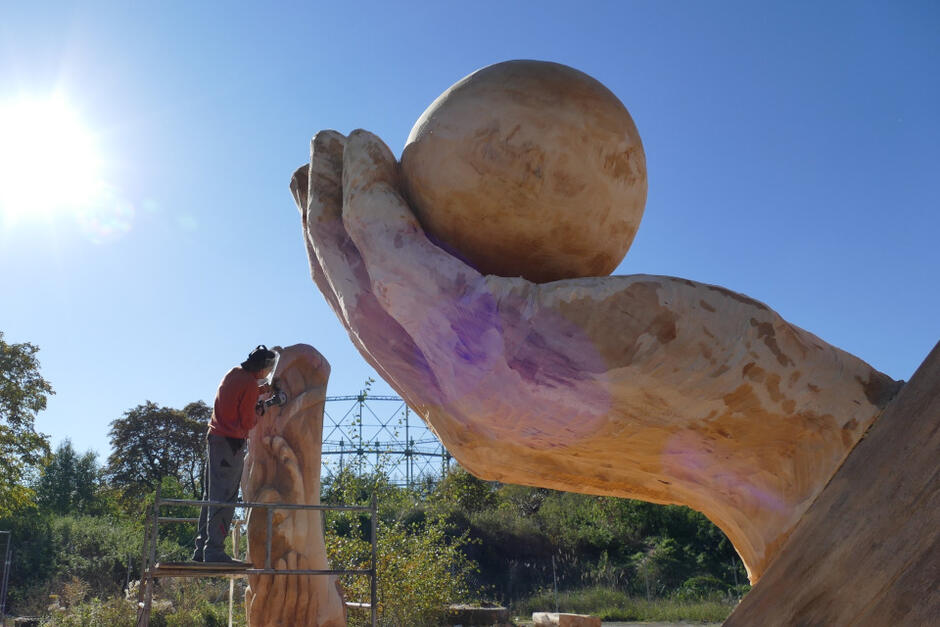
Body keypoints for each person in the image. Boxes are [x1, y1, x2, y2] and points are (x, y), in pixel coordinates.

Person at [193, 345, 275, 563]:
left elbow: (238, 394)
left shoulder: (235, 373)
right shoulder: (249, 383)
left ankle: (201, 549)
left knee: (211, 495)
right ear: (263, 368)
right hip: (230, 444)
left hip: (216, 439)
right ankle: (214, 551)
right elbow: (248, 421)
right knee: (225, 497)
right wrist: (260, 409)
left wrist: (259, 391)